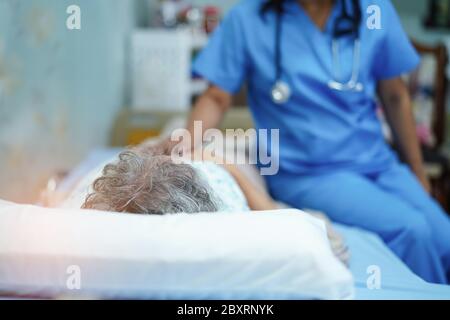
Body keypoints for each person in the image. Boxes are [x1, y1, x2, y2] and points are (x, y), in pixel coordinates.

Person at [159, 0, 450, 284]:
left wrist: (418, 173)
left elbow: (395, 96)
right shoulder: (248, 20)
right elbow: (216, 96)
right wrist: (186, 142)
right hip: (308, 173)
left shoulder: (373, 9)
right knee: (412, 231)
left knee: (444, 237)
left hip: (378, 163)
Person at [81, 145, 350, 265]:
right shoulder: (106, 202)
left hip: (221, 161)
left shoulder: (228, 215)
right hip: (183, 164)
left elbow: (328, 246)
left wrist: (217, 161)